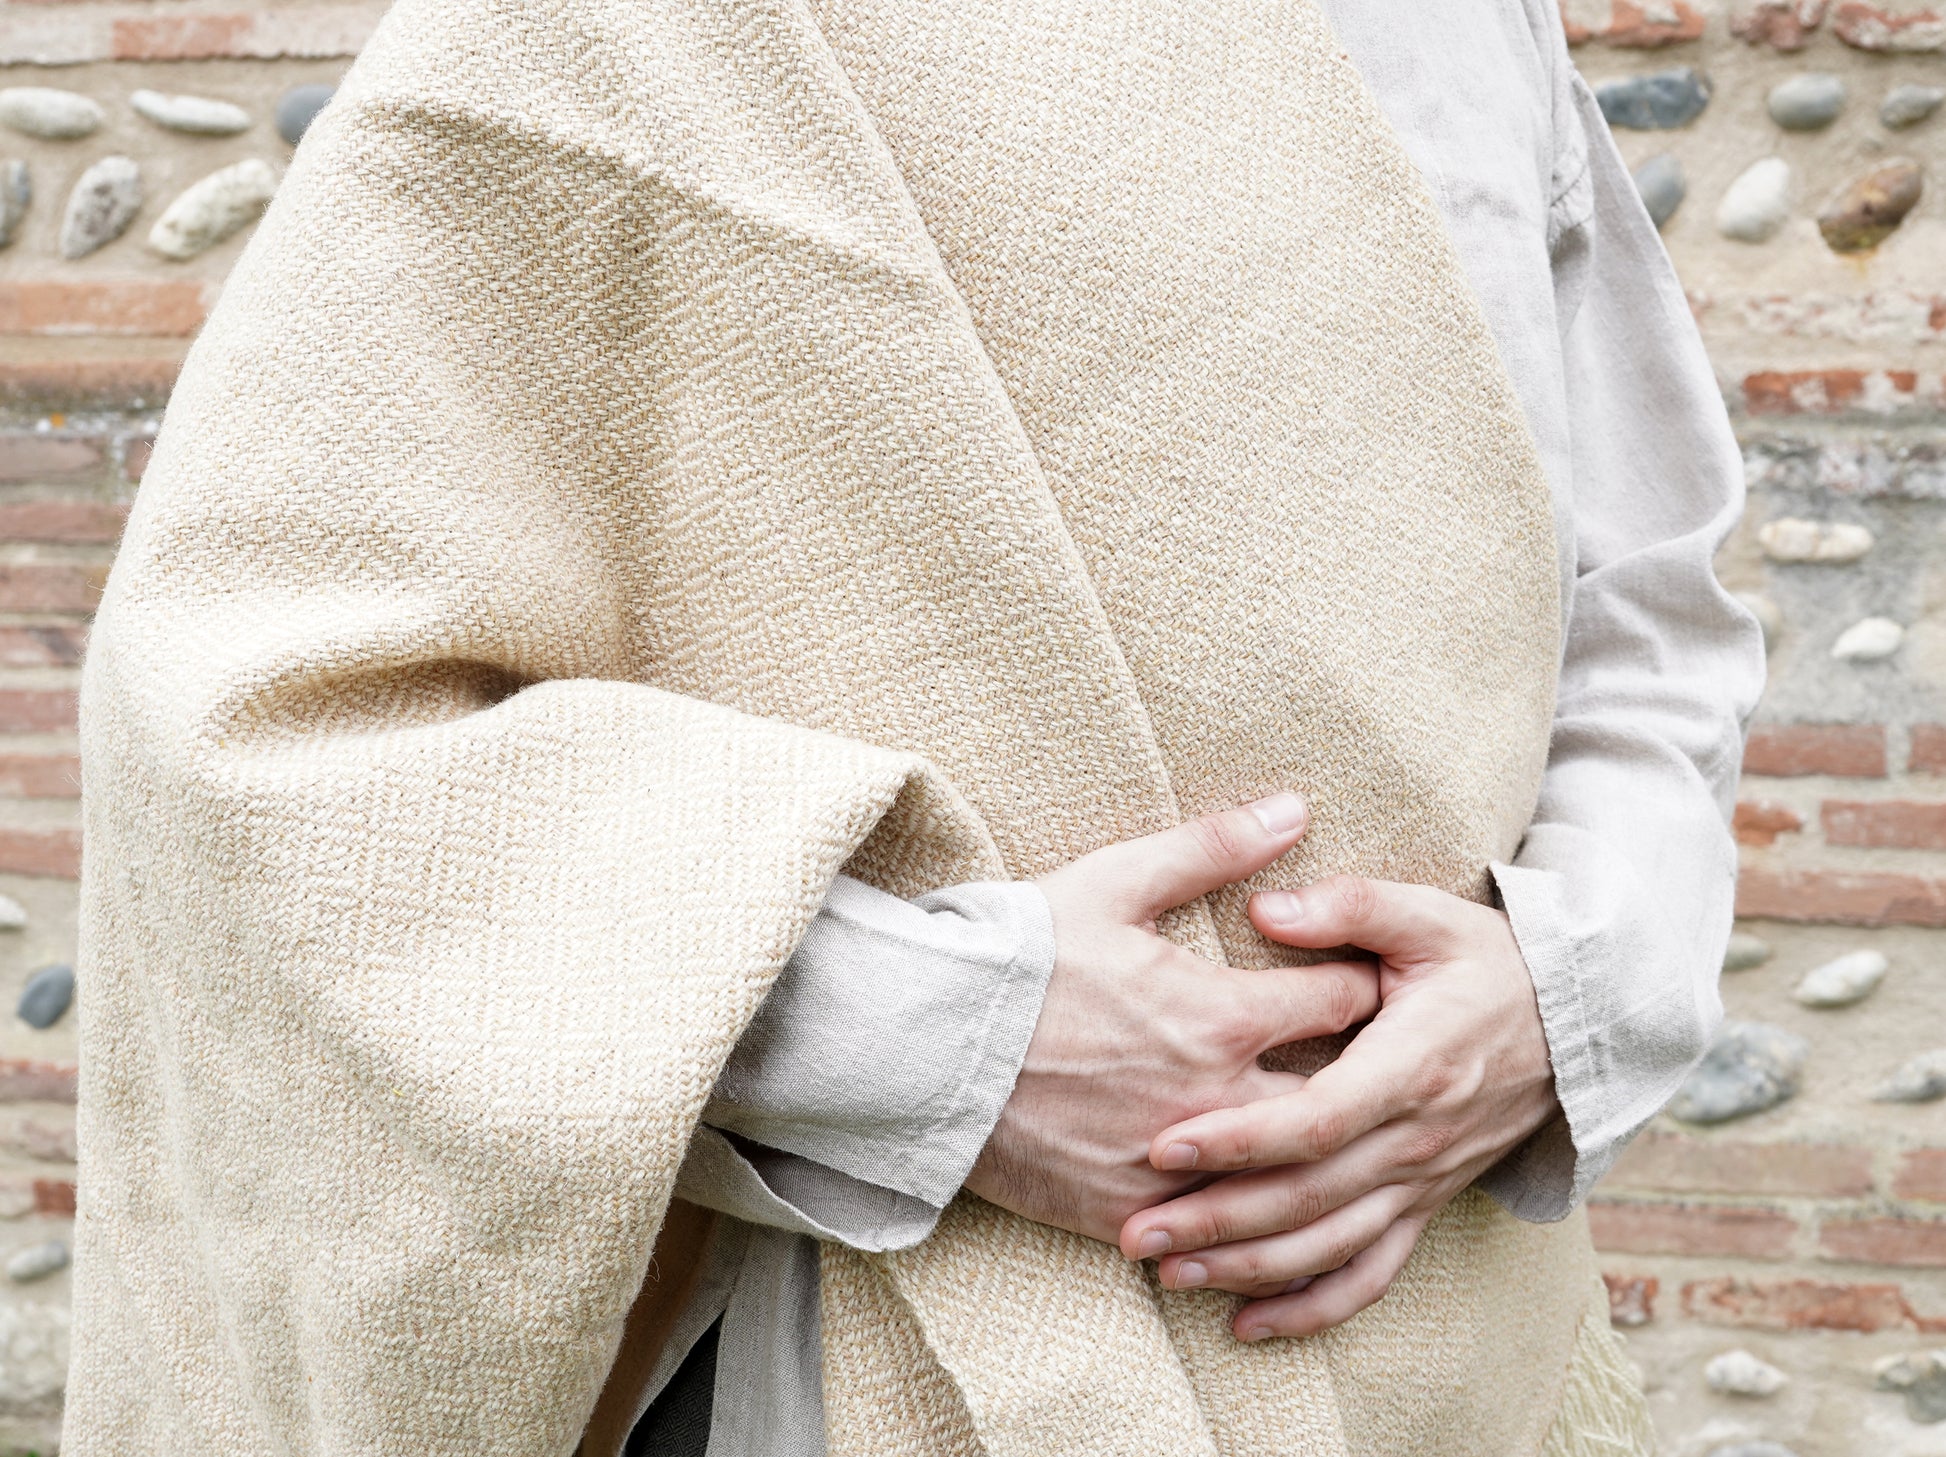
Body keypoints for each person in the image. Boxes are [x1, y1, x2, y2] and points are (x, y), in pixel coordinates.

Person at [69, 0, 1763, 1453]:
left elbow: (1644, 595)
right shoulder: (607, 31)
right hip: (896, 1355)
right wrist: (945, 1042)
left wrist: (1564, 994)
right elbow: (257, 726)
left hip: (1458, 1345)